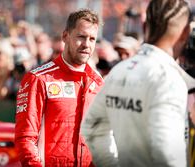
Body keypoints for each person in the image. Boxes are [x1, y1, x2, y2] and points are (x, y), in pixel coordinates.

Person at [81, 0, 195, 167]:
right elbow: (166, 152)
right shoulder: (169, 79)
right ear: (185, 33)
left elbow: (91, 127)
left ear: (143, 27)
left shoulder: (119, 70)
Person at [15, 9, 103, 167]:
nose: (86, 44)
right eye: (81, 37)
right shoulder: (38, 78)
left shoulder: (97, 82)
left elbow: (102, 136)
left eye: (92, 39)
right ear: (65, 36)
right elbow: (26, 138)